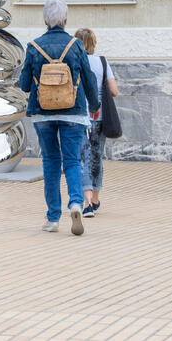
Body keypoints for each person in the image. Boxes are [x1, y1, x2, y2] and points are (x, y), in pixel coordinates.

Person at [19, 0, 100, 236]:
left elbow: (24, 84)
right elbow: (89, 79)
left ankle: (52, 218)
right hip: (73, 111)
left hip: (42, 113)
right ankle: (76, 202)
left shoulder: (34, 46)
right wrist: (94, 106)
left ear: (45, 20)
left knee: (51, 162)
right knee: (72, 160)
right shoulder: (76, 46)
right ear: (65, 20)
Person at [75, 28, 119, 218]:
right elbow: (114, 91)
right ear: (93, 43)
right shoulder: (102, 61)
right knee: (97, 157)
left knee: (82, 158)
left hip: (79, 116)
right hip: (99, 118)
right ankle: (95, 199)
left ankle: (85, 203)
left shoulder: (75, 62)